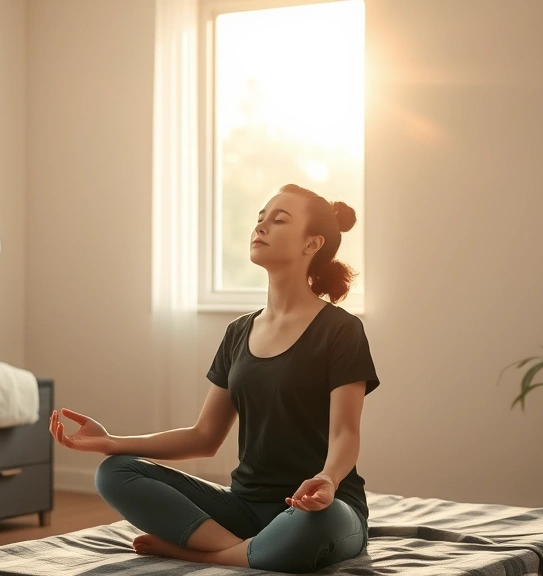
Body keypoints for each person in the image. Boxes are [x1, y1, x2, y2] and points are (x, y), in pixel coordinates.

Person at [48, 183, 380, 574]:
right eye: (260, 219)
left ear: (311, 244)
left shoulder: (340, 330)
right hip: (242, 508)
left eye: (279, 220)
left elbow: (345, 434)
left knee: (321, 524)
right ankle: (251, 550)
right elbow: (204, 436)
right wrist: (110, 442)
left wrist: (326, 478)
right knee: (114, 471)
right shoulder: (238, 332)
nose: (261, 227)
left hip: (318, 509)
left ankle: (204, 554)